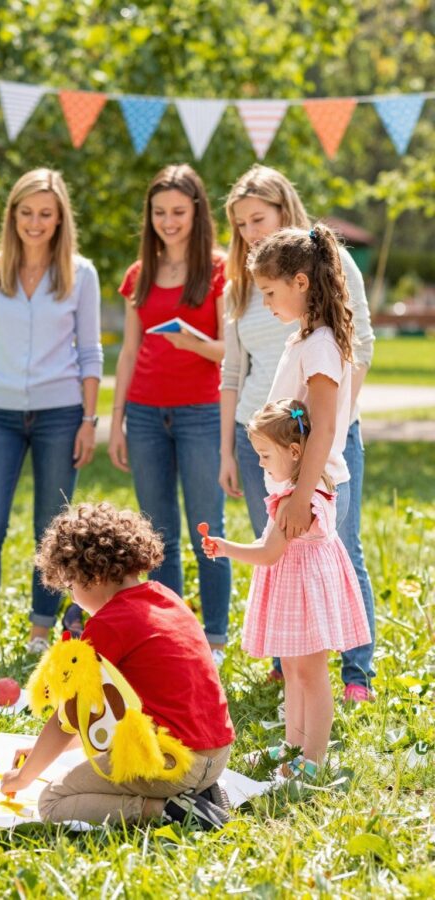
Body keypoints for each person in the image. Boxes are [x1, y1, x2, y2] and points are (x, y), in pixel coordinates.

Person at [220, 165, 376, 701]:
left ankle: (345, 677)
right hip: (288, 473)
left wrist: (303, 491)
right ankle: (299, 682)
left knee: (330, 564)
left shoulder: (319, 343)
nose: (265, 303)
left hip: (307, 480)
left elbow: (327, 422)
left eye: (270, 294)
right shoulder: (301, 337)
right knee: (289, 574)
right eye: (239, 224)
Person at [0, 503, 235, 830]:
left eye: (70, 586)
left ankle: (168, 810)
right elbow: (97, 715)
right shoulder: (166, 597)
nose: (73, 598)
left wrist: (25, 776)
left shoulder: (109, 625)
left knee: (52, 801)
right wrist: (39, 751)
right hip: (217, 755)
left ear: (92, 575)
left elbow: (68, 718)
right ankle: (200, 794)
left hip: (173, 763)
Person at [0, 168, 103, 660]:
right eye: (26, 213)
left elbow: (91, 352)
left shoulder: (81, 275)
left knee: (52, 531)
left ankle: (42, 632)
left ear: (60, 218)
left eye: (45, 213)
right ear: (12, 216)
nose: (35, 222)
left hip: (61, 415)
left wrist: (89, 420)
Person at [203, 400, 369, 778]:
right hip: (300, 590)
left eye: (265, 455)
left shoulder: (298, 501)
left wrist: (225, 548)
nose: (260, 463)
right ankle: (294, 745)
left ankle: (313, 758)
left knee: (311, 674)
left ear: (294, 452)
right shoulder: (290, 494)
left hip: (306, 593)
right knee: (294, 671)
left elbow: (267, 553)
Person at [107, 164, 231, 665]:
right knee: (157, 535)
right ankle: (173, 634)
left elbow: (230, 351)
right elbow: (129, 350)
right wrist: (114, 419)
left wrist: (194, 343)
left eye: (178, 212)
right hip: (144, 415)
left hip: (201, 413)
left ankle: (216, 640)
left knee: (208, 530)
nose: (168, 221)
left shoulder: (222, 269)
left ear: (197, 211)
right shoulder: (140, 274)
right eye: (159, 212)